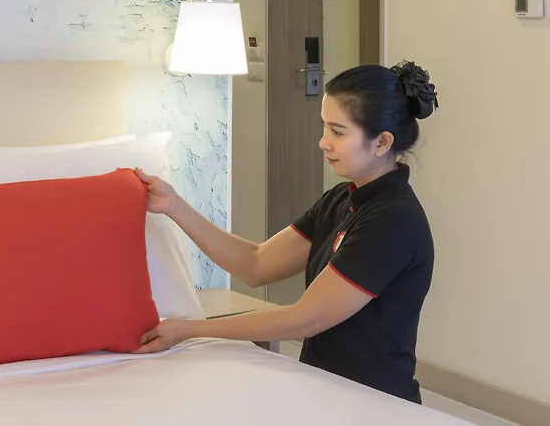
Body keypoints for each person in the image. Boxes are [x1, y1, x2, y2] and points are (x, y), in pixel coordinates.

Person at [133, 61, 439, 404]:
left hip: (374, 403)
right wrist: (174, 206)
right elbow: (256, 264)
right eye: (324, 127)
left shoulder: (393, 220)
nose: (323, 142)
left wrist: (192, 329)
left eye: (338, 132)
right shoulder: (342, 198)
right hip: (324, 389)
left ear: (382, 142)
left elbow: (305, 319)